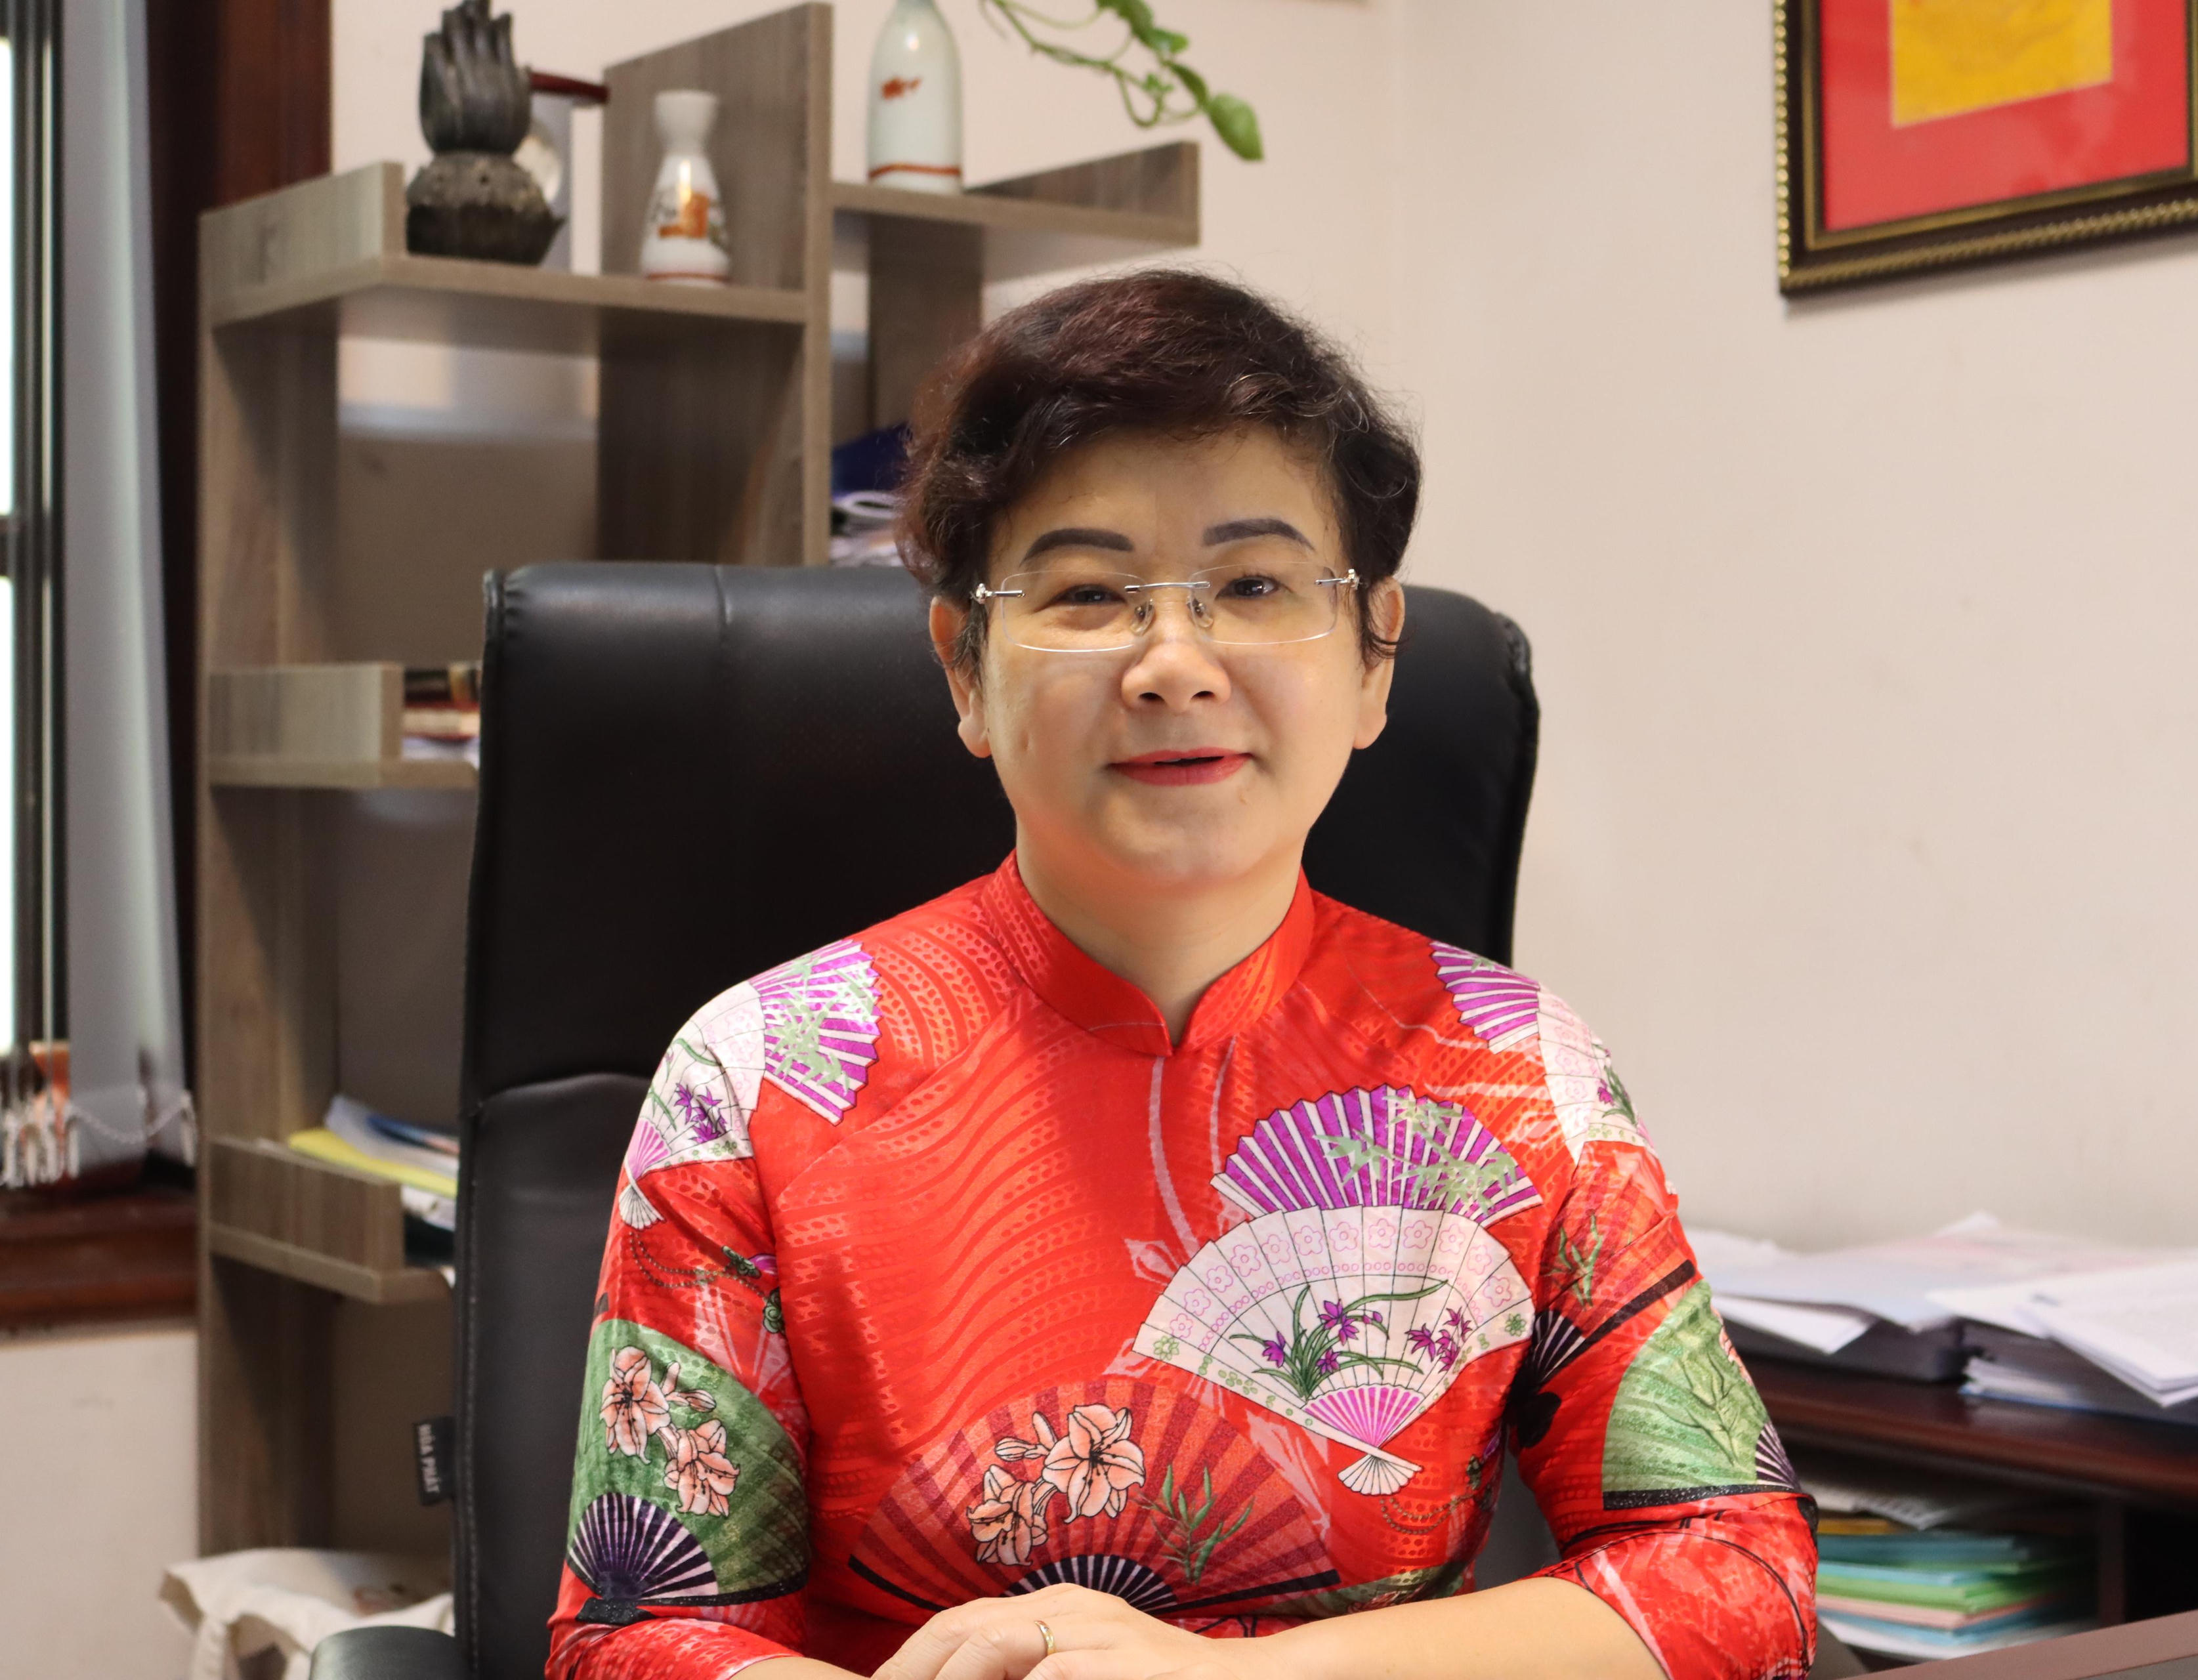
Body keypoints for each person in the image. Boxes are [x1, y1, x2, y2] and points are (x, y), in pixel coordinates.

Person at [547, 271, 1816, 1680]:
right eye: (1090, 593)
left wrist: (1235, 1679)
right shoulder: (760, 1079)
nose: (1174, 662)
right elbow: (634, 1638)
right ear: (966, 669)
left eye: (1256, 586)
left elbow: (1736, 1564)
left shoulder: (1516, 1070)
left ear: (1375, 659)